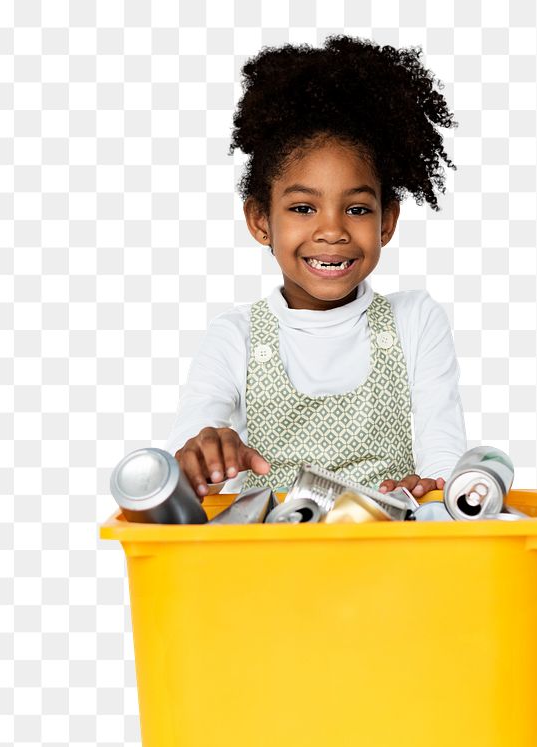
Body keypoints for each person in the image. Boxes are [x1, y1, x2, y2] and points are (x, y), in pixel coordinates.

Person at [167, 34, 467, 499]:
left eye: (358, 209)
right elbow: (188, 454)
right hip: (268, 567)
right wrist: (201, 454)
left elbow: (444, 455)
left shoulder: (415, 323)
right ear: (261, 221)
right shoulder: (235, 339)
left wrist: (434, 487)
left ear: (387, 221)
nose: (332, 231)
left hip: (391, 562)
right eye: (303, 208)